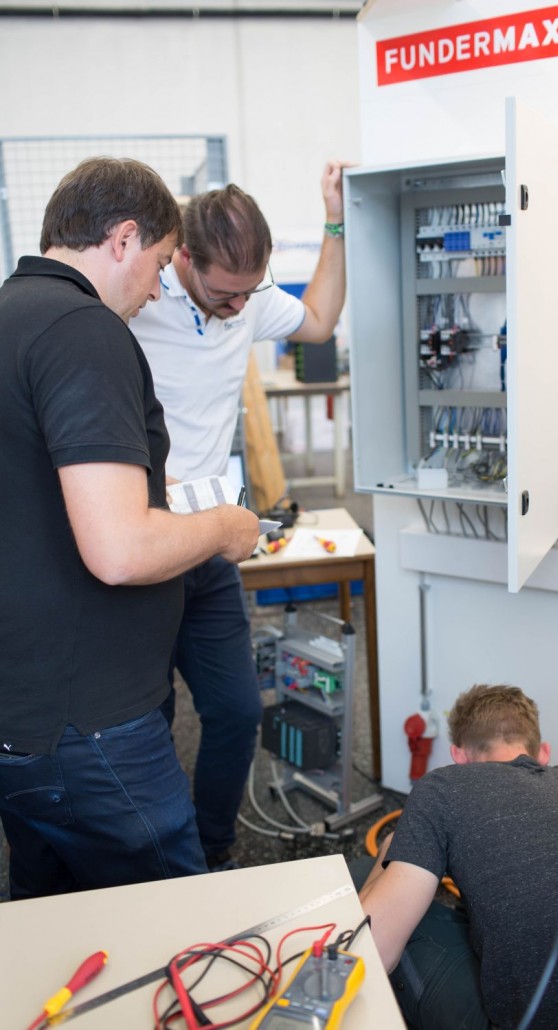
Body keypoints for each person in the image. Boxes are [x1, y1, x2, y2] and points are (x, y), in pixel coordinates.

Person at [0, 157, 259, 900]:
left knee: (54, 921)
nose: (154, 292)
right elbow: (117, 552)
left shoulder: (12, 315)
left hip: (23, 715)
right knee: (170, 931)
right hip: (89, 728)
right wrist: (223, 527)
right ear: (122, 239)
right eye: (157, 264)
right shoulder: (85, 330)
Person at [131, 162, 348, 868]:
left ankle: (213, 849)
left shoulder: (246, 299)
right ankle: (156, 861)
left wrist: (335, 221)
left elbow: (318, 320)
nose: (237, 307)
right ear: (183, 259)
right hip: (141, 541)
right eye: (224, 293)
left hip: (209, 543)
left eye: (248, 292)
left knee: (236, 711)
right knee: (148, 723)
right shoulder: (138, 297)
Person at [357, 684, 558, 1030]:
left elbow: (372, 952)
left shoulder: (442, 788)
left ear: (458, 756)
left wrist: (396, 846)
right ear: (543, 753)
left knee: (363, 875)